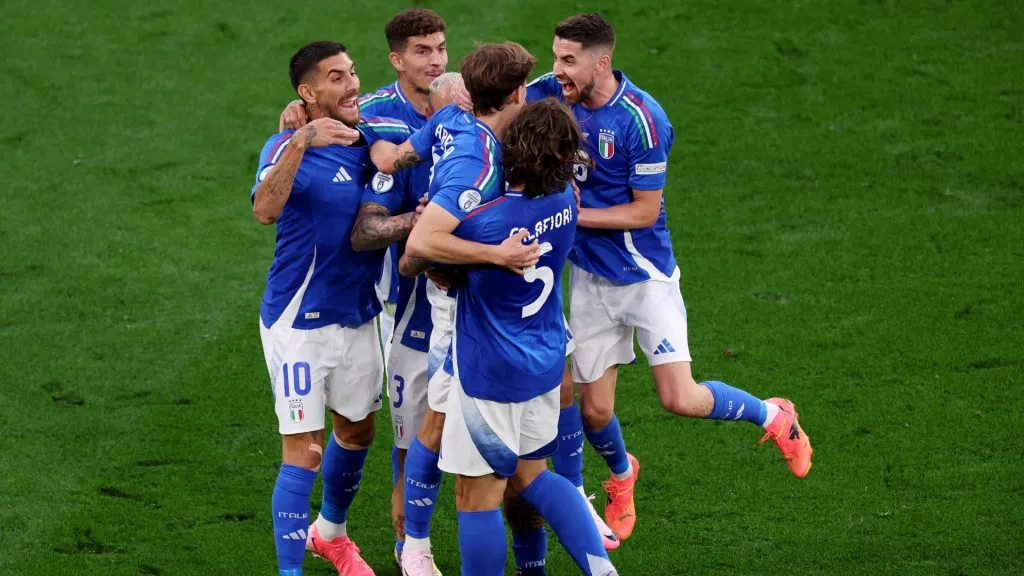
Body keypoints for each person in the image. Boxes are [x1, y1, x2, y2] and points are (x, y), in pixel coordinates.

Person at [527, 13, 815, 543]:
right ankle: (621, 476)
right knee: (593, 412)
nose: (557, 69)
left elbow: (643, 212)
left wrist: (570, 216)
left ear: (602, 61)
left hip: (645, 278)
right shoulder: (551, 92)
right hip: (590, 280)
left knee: (679, 399)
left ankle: (773, 415)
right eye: (555, 56)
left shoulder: (642, 119)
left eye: (569, 60)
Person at [405, 97, 618, 576]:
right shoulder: (566, 200)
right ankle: (601, 570)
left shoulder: (486, 223)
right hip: (543, 365)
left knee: (476, 496)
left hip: (490, 376)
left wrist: (429, 222)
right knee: (533, 475)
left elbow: (416, 260)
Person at [375, 42, 548, 576]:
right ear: (515, 93)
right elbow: (421, 246)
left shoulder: (448, 118)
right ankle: (417, 548)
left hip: (480, 307)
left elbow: (393, 155)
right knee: (448, 431)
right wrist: (495, 252)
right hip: (459, 309)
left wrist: (358, 134)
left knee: (511, 449)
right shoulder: (479, 160)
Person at [251, 41, 402, 576]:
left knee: (358, 431)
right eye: (336, 78)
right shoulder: (285, 144)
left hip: (360, 315)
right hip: (300, 322)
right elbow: (264, 211)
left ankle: (330, 533)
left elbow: (439, 114)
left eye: (354, 72)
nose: (352, 84)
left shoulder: (374, 134)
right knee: (305, 451)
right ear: (307, 93)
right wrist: (300, 139)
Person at [279, 7, 448, 397]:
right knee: (398, 411)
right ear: (397, 60)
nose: (436, 60)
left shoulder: (459, 100)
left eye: (440, 48)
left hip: (456, 264)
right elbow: (321, 122)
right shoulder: (371, 112)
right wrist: (296, 114)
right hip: (399, 280)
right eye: (422, 51)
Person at [349, 72, 464, 575]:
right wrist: (415, 226)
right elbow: (365, 230)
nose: (449, 126)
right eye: (441, 118)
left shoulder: (494, 156)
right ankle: (411, 549)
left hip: (482, 326)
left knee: (512, 452)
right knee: (411, 445)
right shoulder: (408, 165)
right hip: (416, 329)